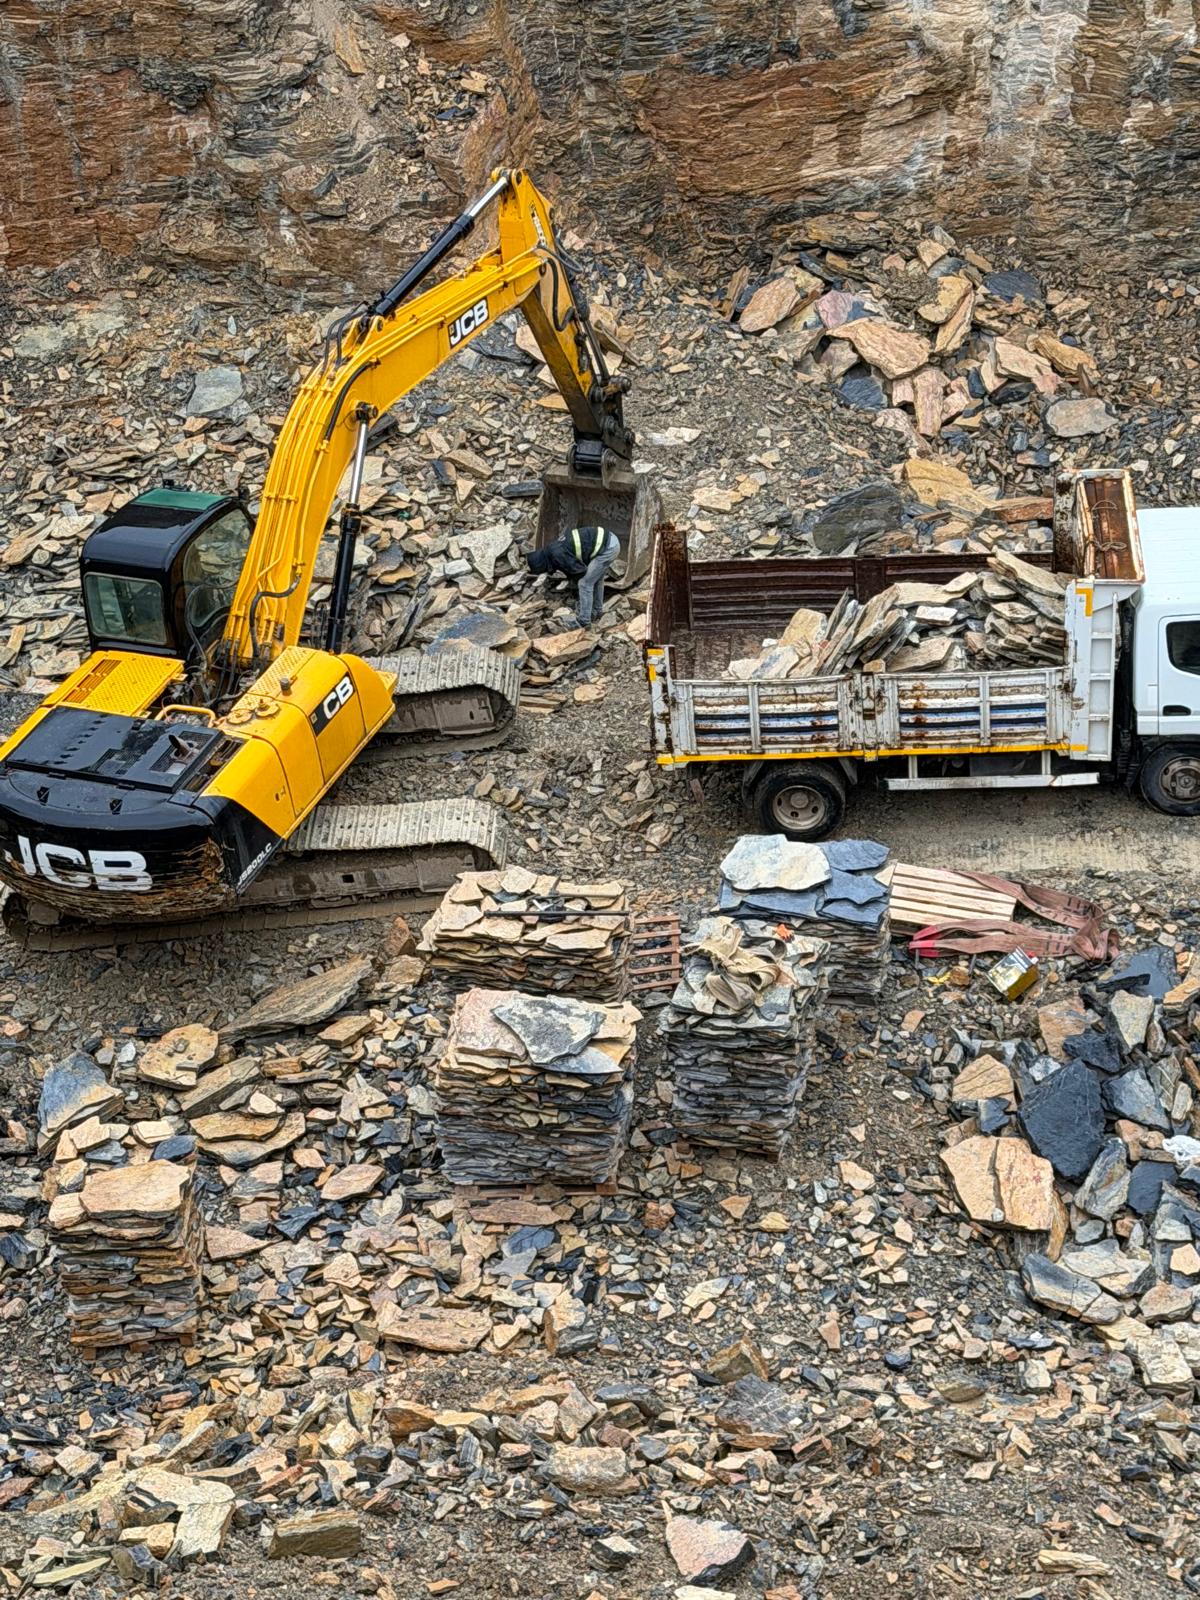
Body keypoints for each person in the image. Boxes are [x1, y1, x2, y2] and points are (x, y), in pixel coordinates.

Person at [525, 524, 620, 627]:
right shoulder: (552, 550)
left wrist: (576, 589)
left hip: (608, 548)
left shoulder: (558, 554)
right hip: (610, 540)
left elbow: (580, 571)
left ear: (540, 564)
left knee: (584, 584)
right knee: (596, 580)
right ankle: (597, 611)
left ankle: (584, 621)